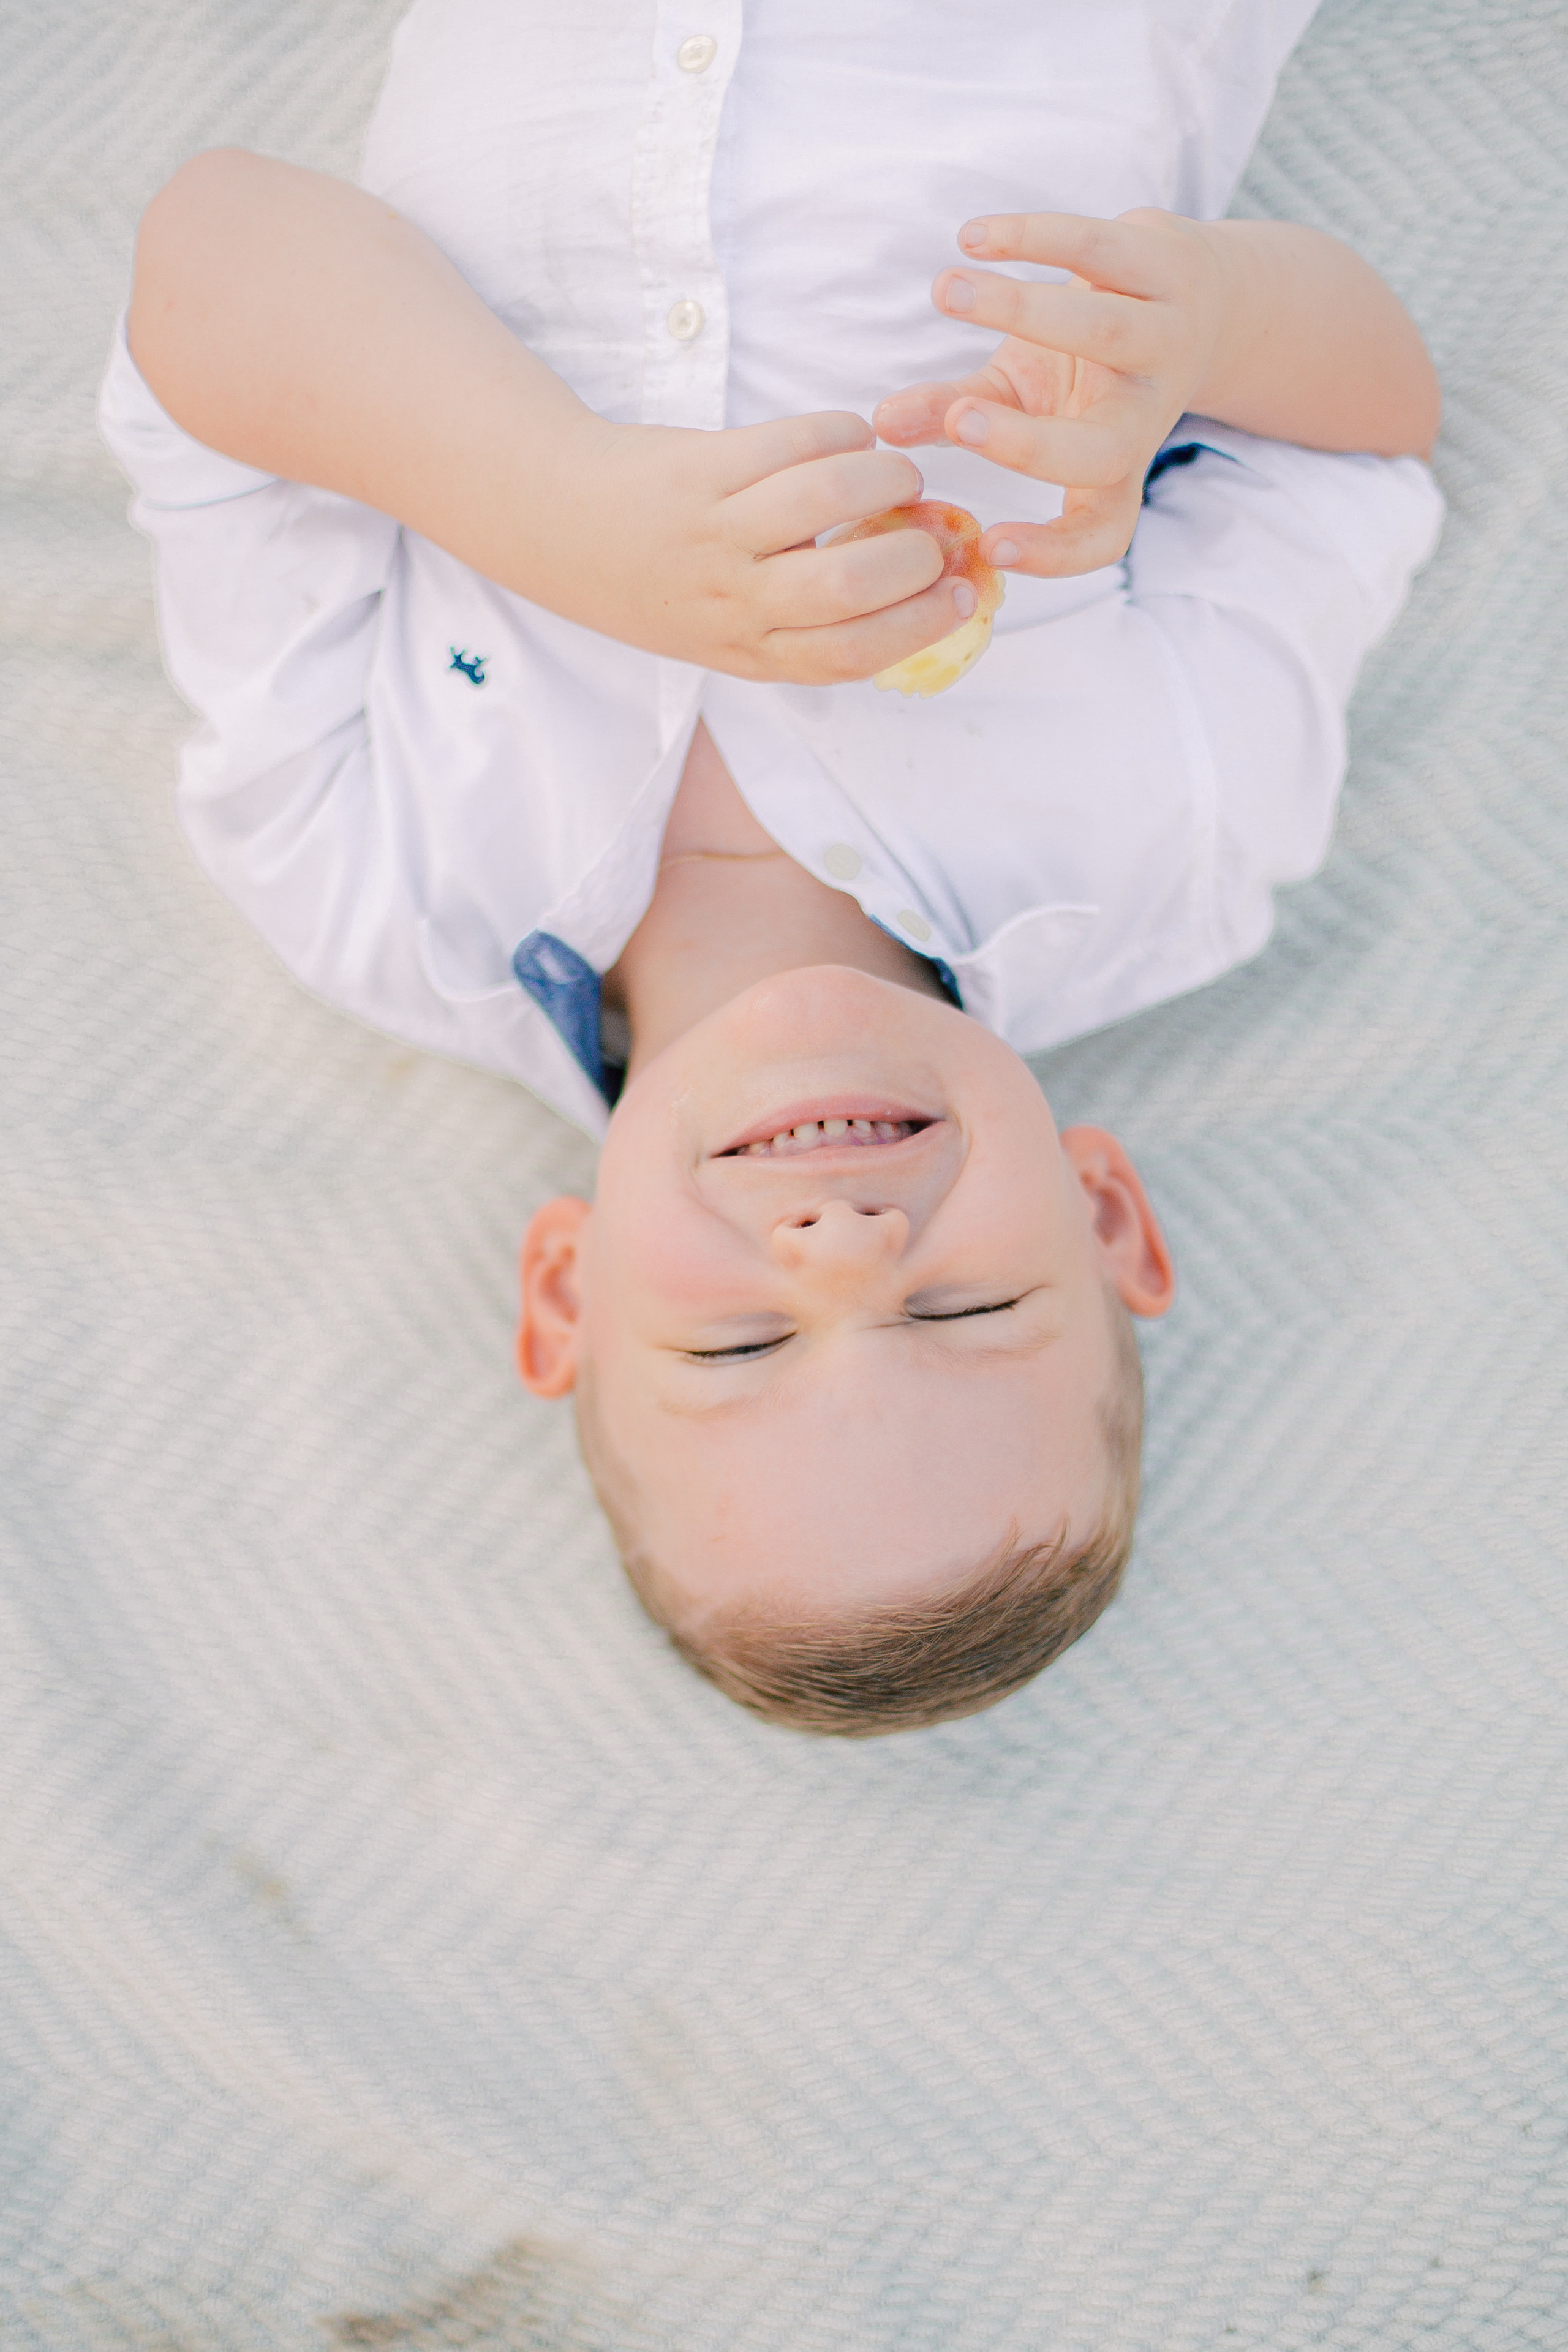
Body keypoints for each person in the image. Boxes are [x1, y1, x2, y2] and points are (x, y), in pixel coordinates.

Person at [102, 1, 1443, 1735]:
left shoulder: (370, 883)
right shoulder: (1168, 844)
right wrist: (1208, 327)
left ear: (568, 1292)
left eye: (742, 1349)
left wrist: (561, 506)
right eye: (964, 1305)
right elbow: (1373, 425)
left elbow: (211, 251)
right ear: (1104, 1216)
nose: (843, 1247)